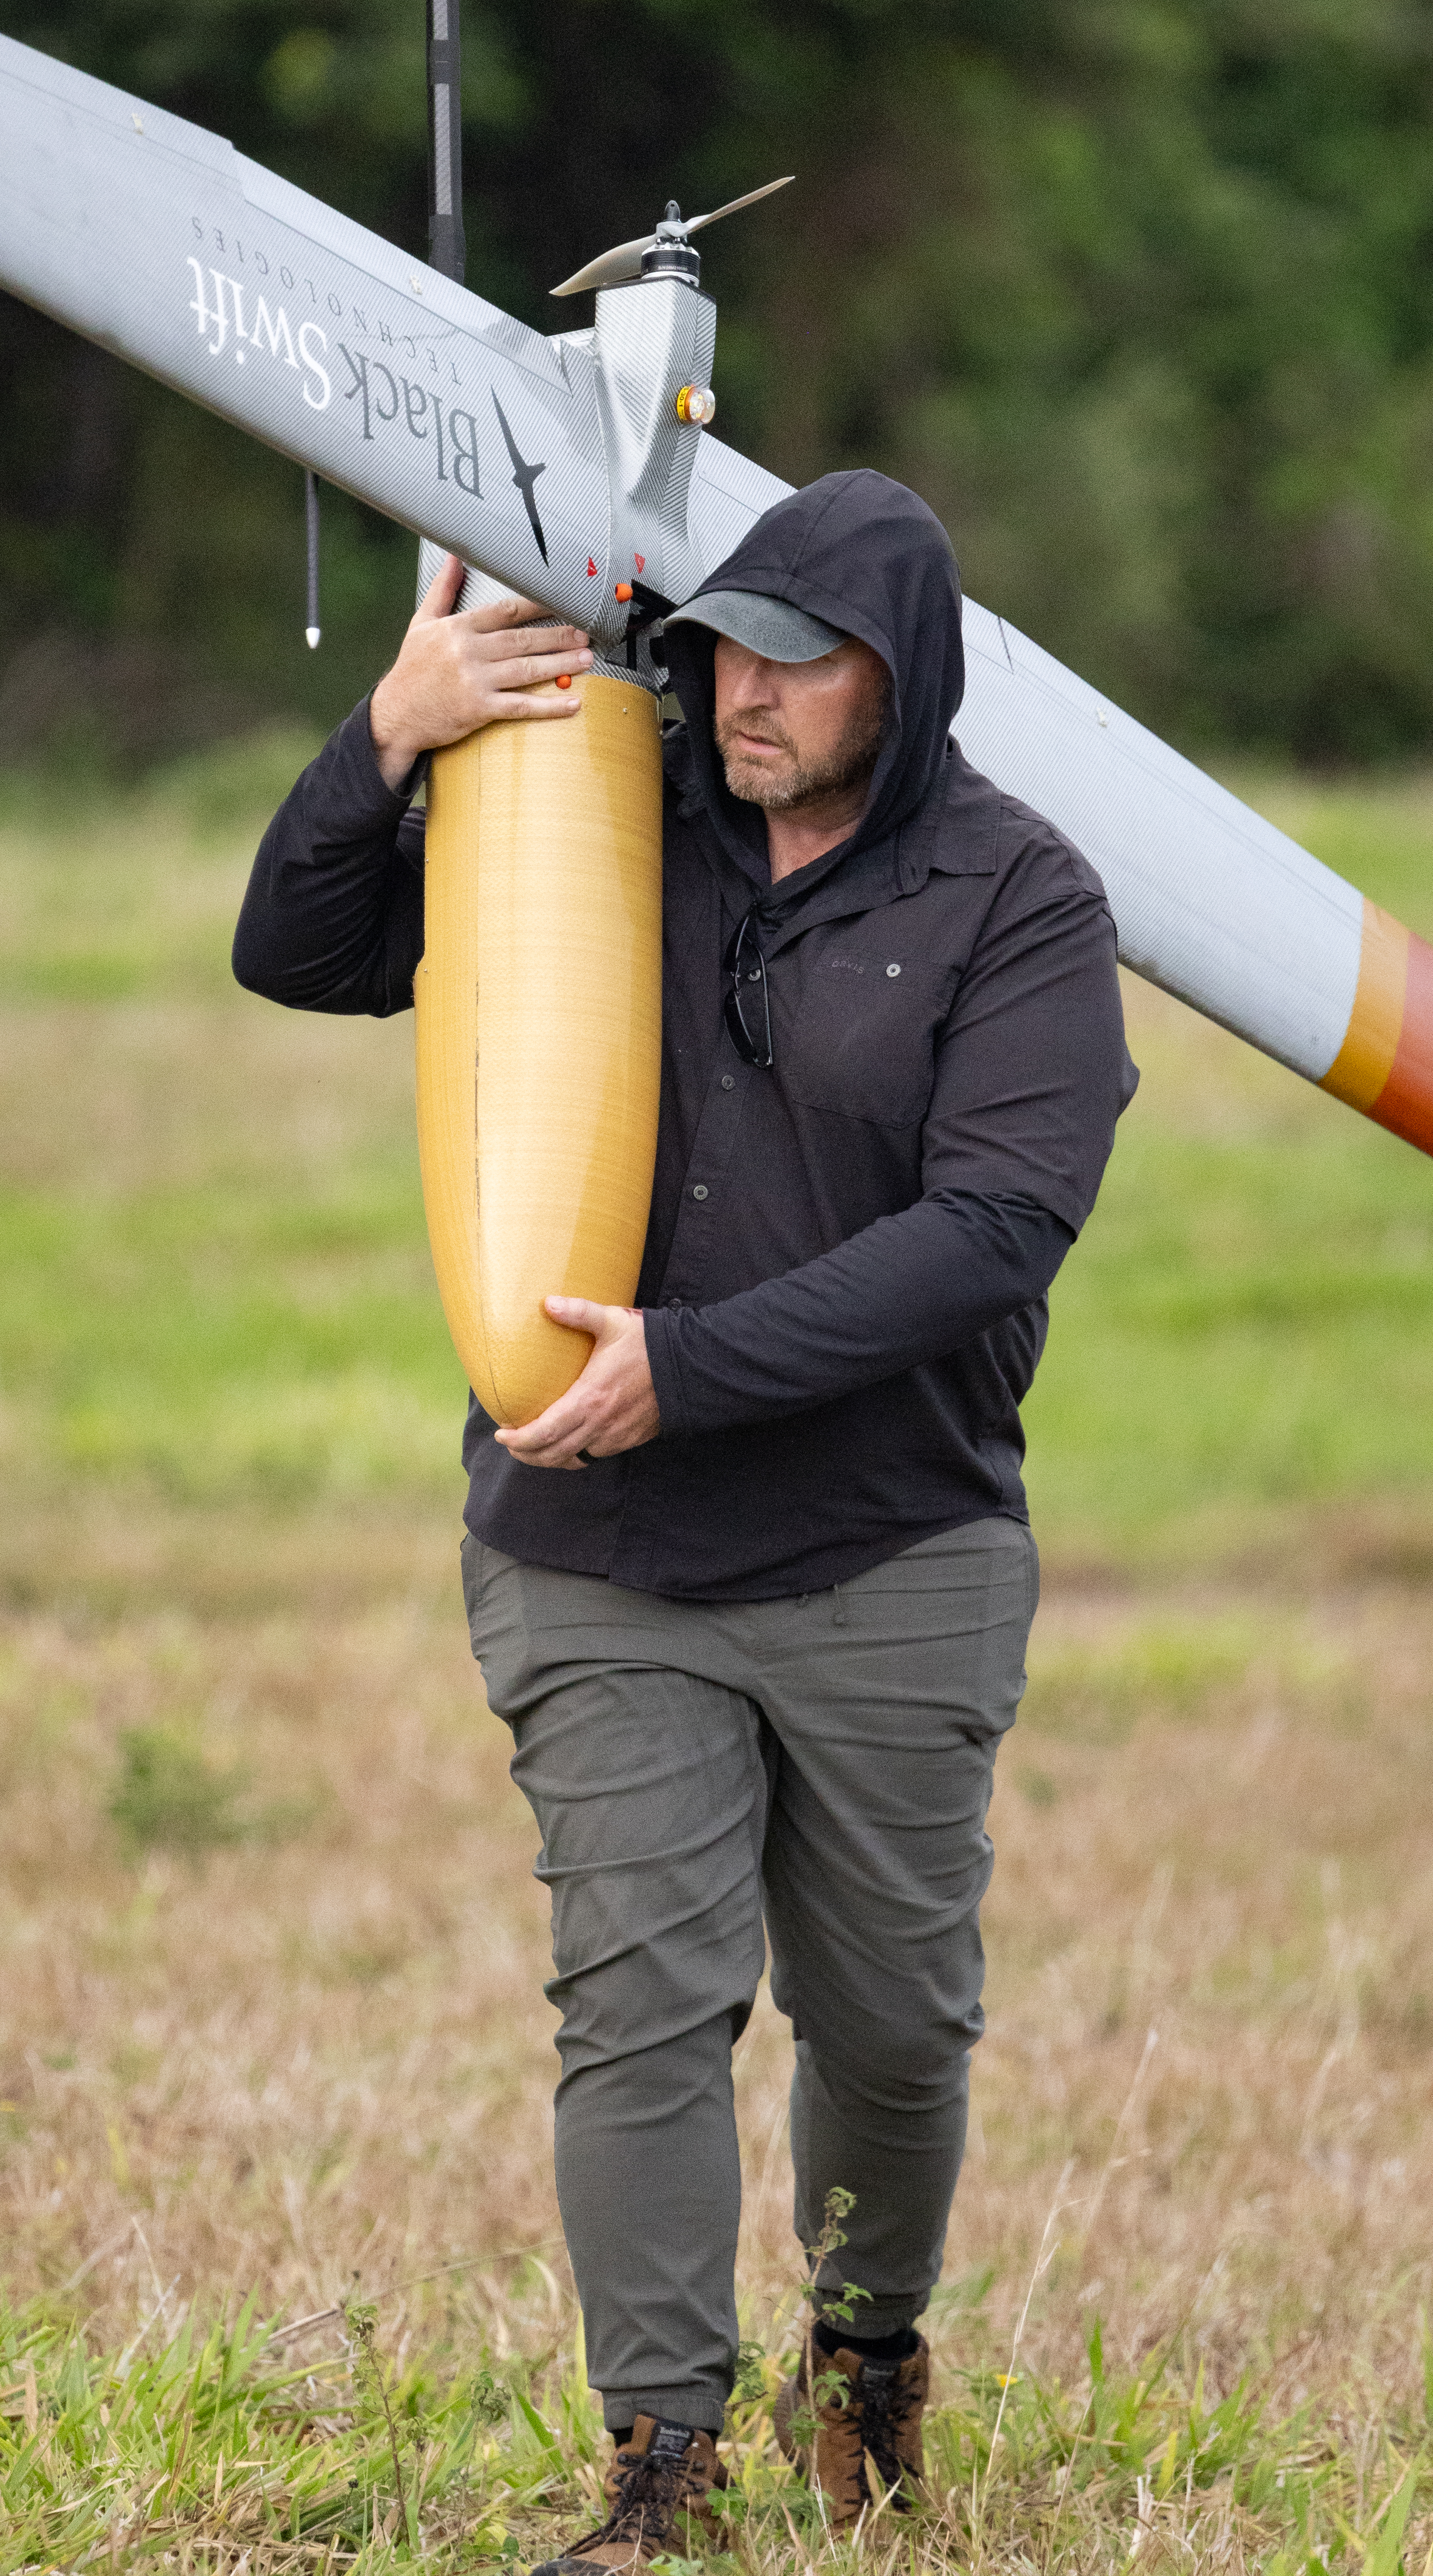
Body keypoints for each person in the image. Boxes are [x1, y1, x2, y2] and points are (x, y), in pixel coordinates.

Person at [231, 467, 1134, 2559]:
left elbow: (997, 1228)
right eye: (724, 644)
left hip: (893, 1544)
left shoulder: (1022, 900)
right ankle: (659, 2468)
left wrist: (692, 1365)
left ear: (895, 693)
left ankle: (868, 2352)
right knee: (636, 1998)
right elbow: (302, 954)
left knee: (893, 2031)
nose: (741, 692)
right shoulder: (594, 820)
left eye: (798, 665)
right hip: (599, 1556)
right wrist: (394, 733)